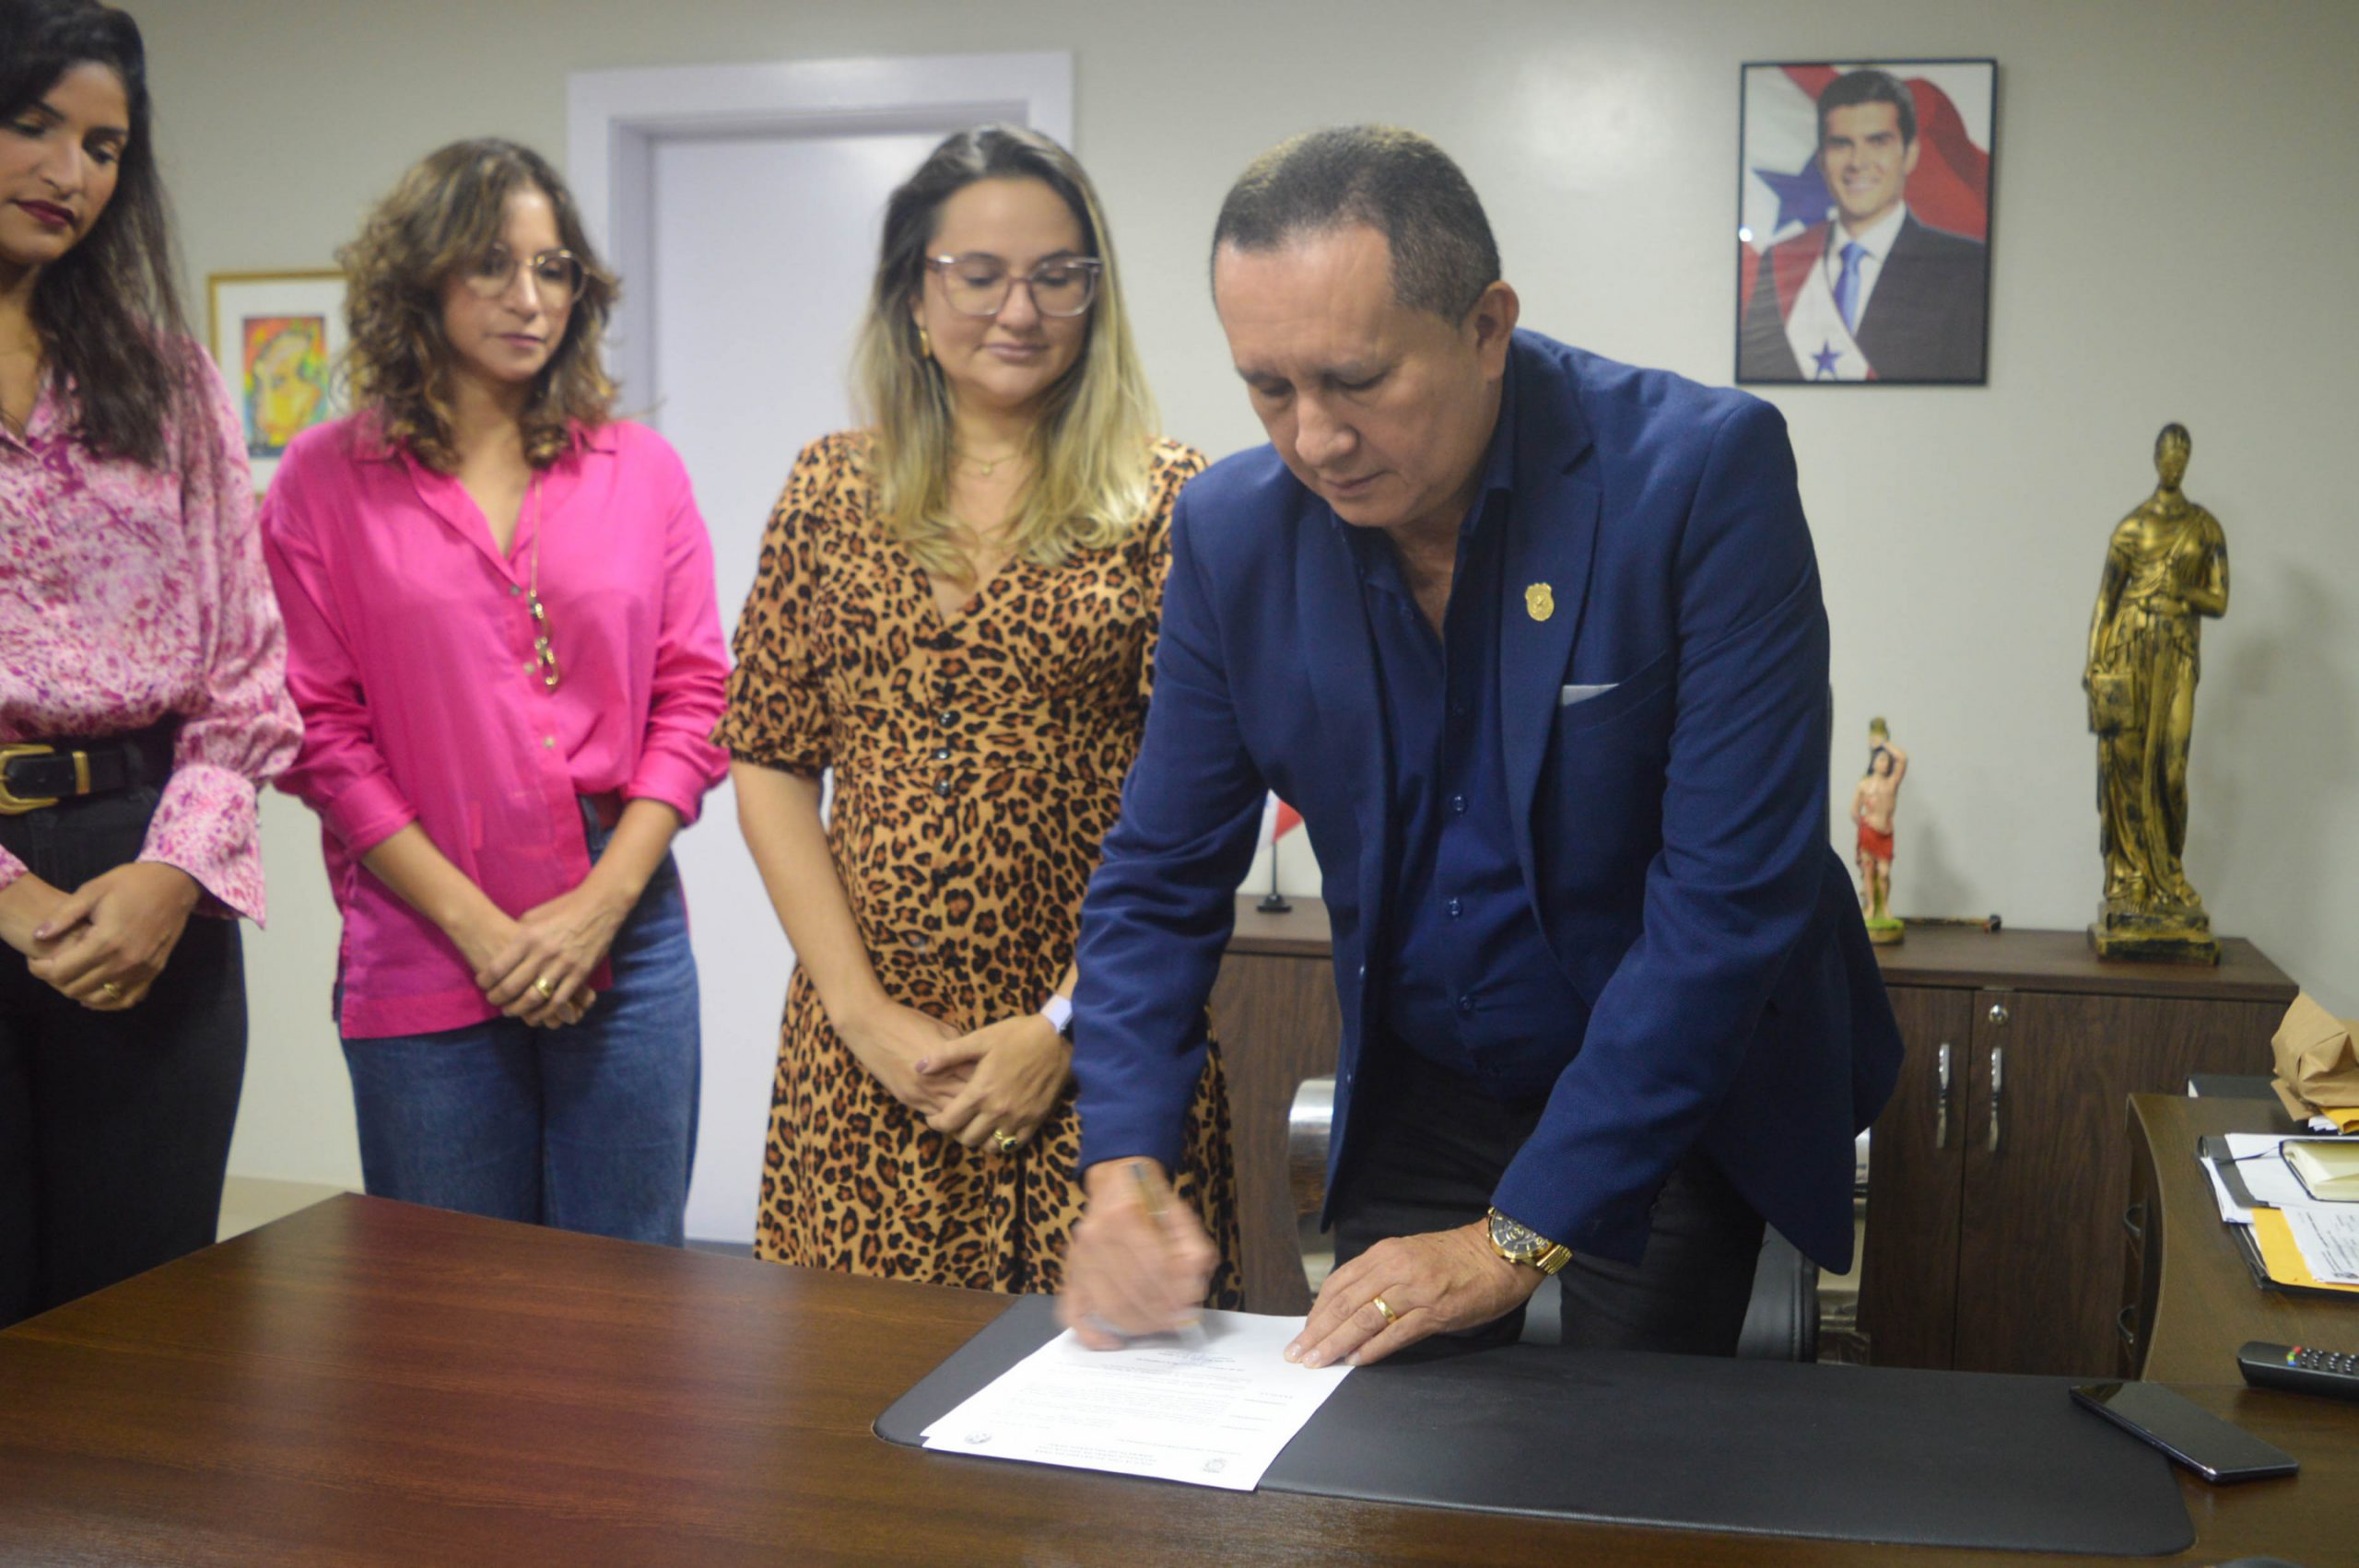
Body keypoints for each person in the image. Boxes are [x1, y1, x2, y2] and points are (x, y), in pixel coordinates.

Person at [1060, 126, 1902, 1366]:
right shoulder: (1233, 534)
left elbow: (1730, 900)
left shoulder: (1698, 476)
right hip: (1427, 1078)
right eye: (1269, 387)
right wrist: (1122, 1163)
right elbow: (1158, 876)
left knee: (1612, 1484)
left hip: (1664, 1087)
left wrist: (1509, 1243)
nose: (1315, 439)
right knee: (1387, 1461)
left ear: (1488, 325)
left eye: (1357, 379)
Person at [720, 125, 1242, 1300]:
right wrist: (860, 1016)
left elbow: (1204, 800)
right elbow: (768, 757)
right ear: (915, 293)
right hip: (865, 1067)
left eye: (1060, 274)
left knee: (1105, 1441)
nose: (1022, 307)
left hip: (1100, 1065)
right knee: (850, 1423)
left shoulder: (1176, 501)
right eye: (980, 273)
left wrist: (1062, 1024)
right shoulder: (826, 491)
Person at [263, 139, 729, 1245]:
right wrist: (486, 932)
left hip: (627, 925)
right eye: (493, 265)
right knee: (454, 1318)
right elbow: (318, 734)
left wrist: (601, 909)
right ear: (421, 278)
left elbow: (696, 694)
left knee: (625, 1305)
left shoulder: (638, 469)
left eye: (556, 268)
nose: (532, 298)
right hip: (425, 932)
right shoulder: (324, 480)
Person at [1, 0, 299, 1326]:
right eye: (32, 126)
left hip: (146, 876)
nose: (71, 173)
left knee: (145, 1326)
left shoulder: (169, 380)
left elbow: (246, 676)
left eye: (105, 146)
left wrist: (174, 875)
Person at [1739, 68, 1988, 383]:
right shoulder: (1779, 260)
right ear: (1822, 158)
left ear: (1910, 154)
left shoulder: (1965, 269)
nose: (1858, 162)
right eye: (1841, 144)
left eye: (1878, 141)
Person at [2084, 423, 2228, 931]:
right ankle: (2132, 878)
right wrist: (2093, 665)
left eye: (2182, 454)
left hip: (2178, 651)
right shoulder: (2131, 528)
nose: (2175, 463)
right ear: (2156, 458)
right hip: (2129, 645)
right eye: (2168, 454)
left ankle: (2169, 873)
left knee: (2171, 766)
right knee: (2126, 765)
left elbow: (2220, 599)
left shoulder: (2206, 527)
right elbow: (2106, 600)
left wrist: (2182, 593)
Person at [1849, 720, 1907, 935]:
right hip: (1869, 832)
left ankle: (1885, 906)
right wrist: (1862, 825)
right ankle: (1872, 907)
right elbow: (1854, 810)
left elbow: (1903, 758)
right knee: (1868, 869)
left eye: (1886, 760)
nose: (1885, 763)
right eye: (1881, 759)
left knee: (1883, 873)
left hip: (1886, 834)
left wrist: (1885, 744)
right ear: (1873, 762)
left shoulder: (1892, 783)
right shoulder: (1864, 784)